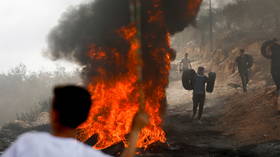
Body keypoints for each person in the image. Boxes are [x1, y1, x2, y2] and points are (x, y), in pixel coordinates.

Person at [1, 85, 148, 157]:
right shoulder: (89, 154)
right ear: (84, 119)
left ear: (53, 114)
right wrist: (136, 130)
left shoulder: (28, 142)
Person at [269, 38, 280, 106]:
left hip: (274, 64)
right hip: (278, 64)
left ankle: (278, 86)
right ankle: (278, 86)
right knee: (277, 75)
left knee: (273, 74)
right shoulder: (279, 46)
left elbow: (268, 54)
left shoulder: (271, 47)